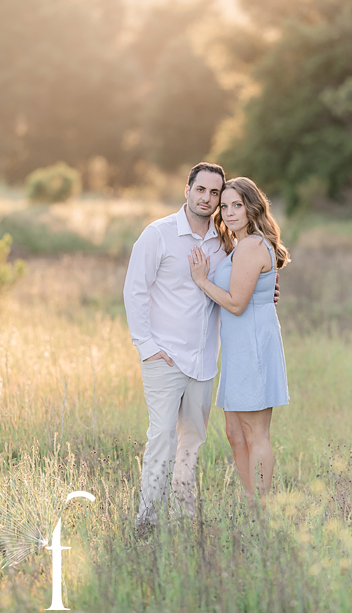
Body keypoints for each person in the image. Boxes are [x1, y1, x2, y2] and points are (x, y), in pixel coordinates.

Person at [123, 162, 228, 529]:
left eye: (215, 193)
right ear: (187, 190)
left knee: (193, 441)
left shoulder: (222, 240)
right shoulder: (158, 234)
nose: (207, 198)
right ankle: (148, 521)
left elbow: (238, 282)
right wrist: (147, 346)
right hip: (164, 357)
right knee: (162, 438)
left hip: (203, 360)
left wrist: (270, 289)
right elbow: (134, 290)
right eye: (201, 189)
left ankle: (183, 520)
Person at [188, 176, 290, 504]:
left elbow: (235, 302)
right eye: (226, 206)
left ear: (251, 207)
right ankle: (251, 504)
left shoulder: (251, 245)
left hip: (253, 346)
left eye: (238, 205)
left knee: (255, 434)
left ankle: (260, 511)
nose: (230, 213)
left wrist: (202, 280)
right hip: (238, 347)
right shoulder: (243, 245)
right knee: (234, 434)